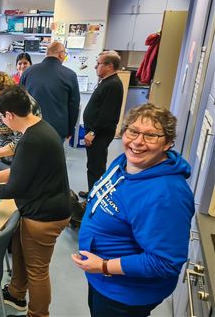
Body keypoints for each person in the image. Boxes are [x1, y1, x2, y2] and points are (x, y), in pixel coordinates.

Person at [72, 103, 194, 317]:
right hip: (102, 278)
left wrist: (104, 266)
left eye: (151, 136)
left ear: (168, 143)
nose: (138, 142)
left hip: (125, 293)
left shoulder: (166, 194)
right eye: (133, 131)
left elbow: (165, 262)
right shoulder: (124, 162)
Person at [0, 85, 71, 316]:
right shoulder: (38, 129)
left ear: (10, 115)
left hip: (46, 215)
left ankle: (38, 314)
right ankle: (16, 294)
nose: (3, 121)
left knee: (37, 270)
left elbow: (13, 188)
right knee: (21, 252)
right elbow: (21, 172)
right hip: (40, 207)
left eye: (3, 117)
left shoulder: (32, 140)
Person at [79, 51, 124, 199]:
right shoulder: (107, 81)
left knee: (96, 167)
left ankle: (95, 197)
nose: (95, 66)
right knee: (92, 165)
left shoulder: (113, 85)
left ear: (109, 66)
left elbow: (107, 115)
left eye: (98, 64)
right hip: (95, 132)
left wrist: (92, 133)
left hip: (99, 134)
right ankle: (93, 190)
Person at [20, 41, 80, 142]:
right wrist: (70, 130)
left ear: (46, 53)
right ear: (61, 54)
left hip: (30, 126)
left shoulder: (28, 72)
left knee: (31, 156)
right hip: (56, 129)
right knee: (52, 157)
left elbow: (19, 98)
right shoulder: (70, 75)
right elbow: (74, 106)